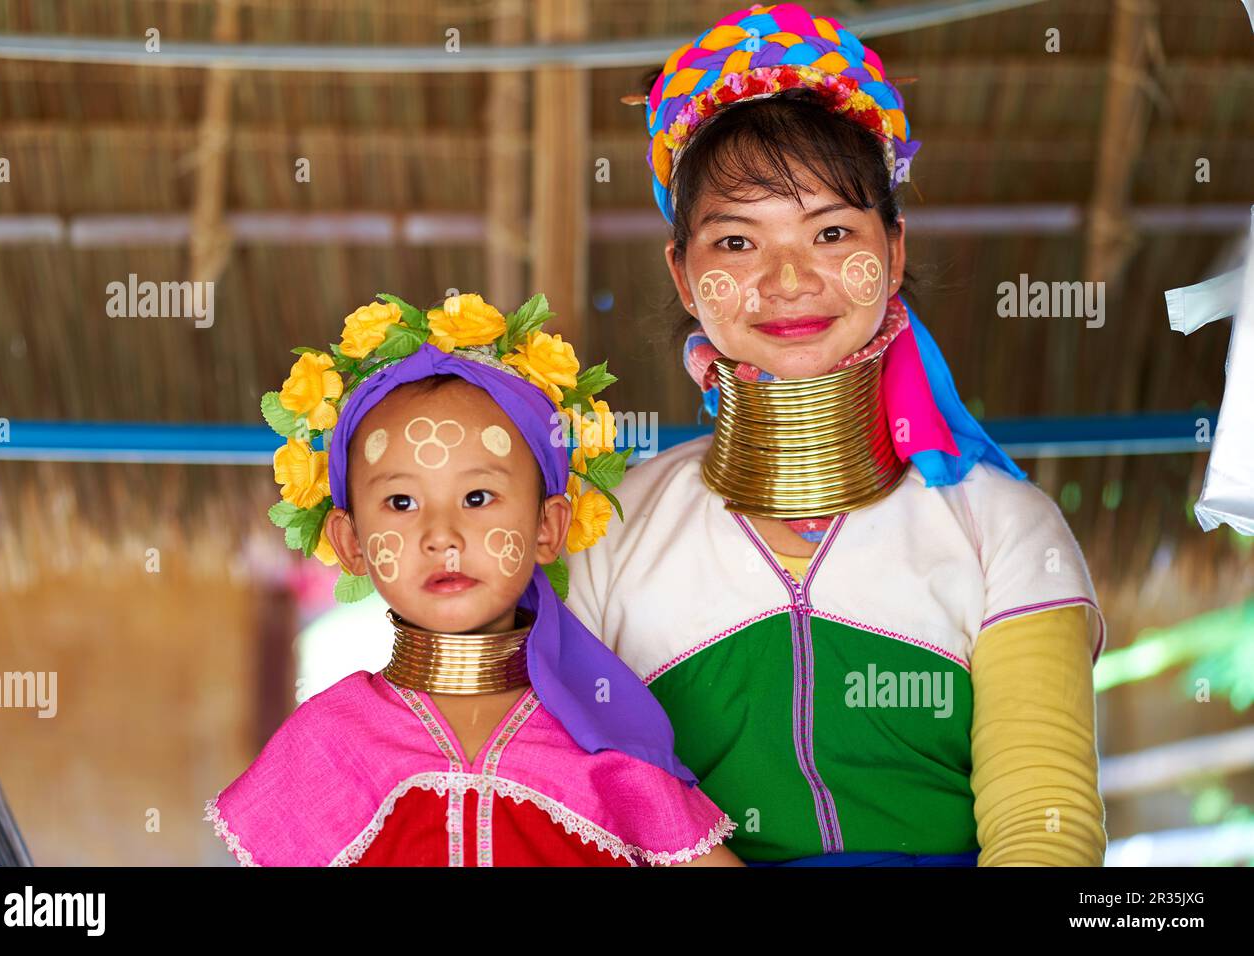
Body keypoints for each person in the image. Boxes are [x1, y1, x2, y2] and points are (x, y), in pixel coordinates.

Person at [564, 4, 1107, 866]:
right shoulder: (607, 531)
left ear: (891, 252)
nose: (787, 279)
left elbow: (1044, 820)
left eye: (831, 233)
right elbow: (574, 799)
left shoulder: (1001, 526)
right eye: (737, 241)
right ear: (682, 271)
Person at [204, 292, 739, 866]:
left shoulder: (608, 750)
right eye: (401, 501)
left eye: (478, 497)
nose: (442, 535)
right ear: (351, 542)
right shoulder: (325, 748)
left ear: (547, 526)